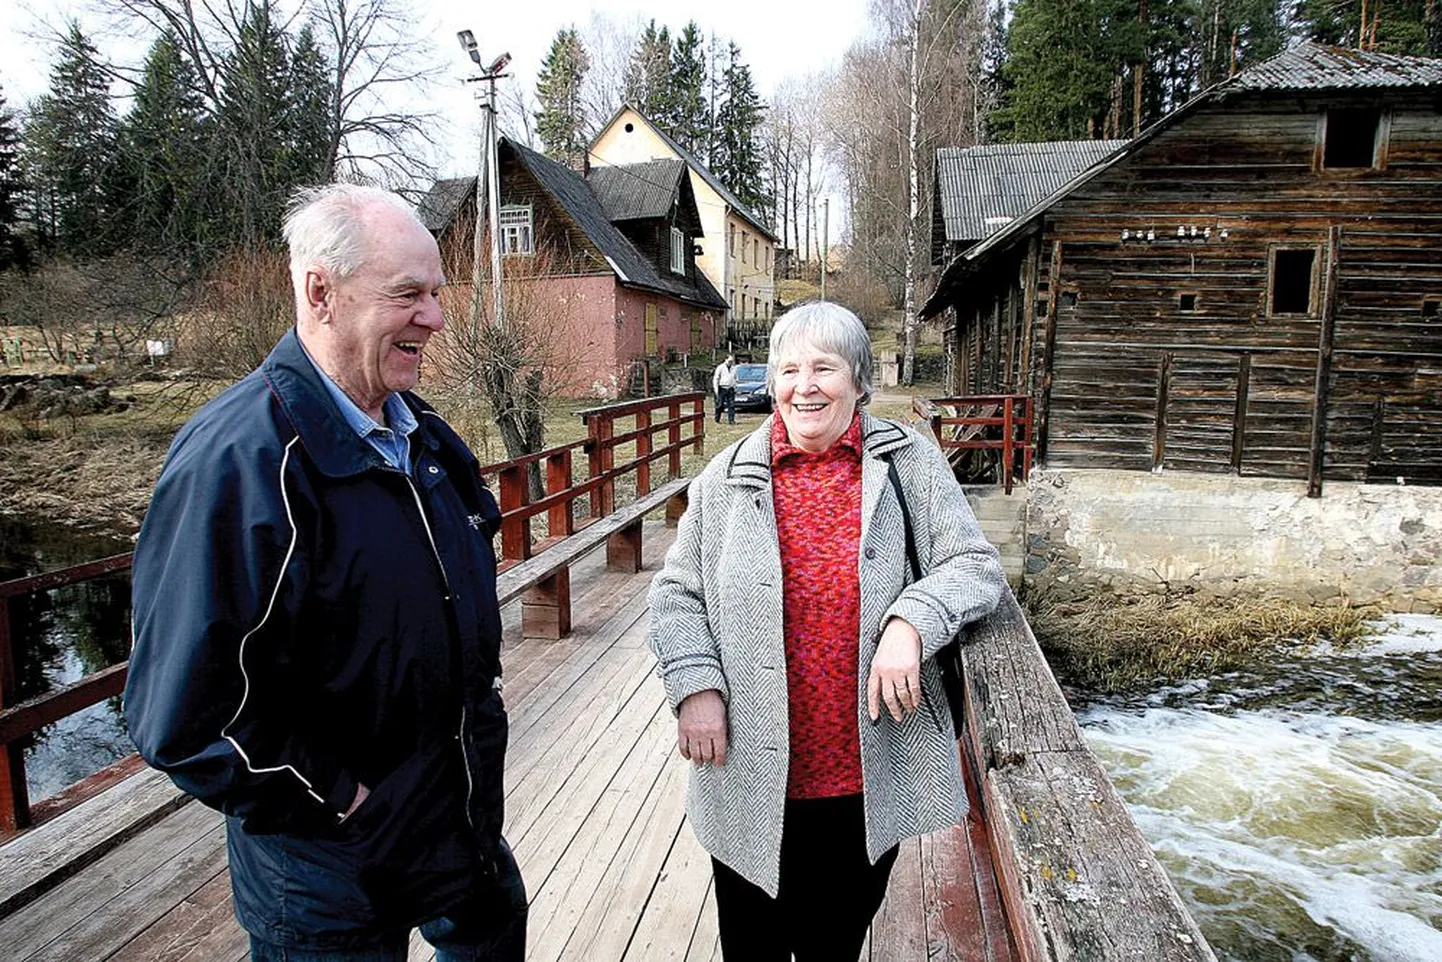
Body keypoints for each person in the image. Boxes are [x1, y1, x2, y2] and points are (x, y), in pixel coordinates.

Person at [123, 184, 527, 961]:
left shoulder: (427, 442)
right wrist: (341, 800)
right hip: (329, 876)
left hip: (455, 826)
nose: (437, 319)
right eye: (408, 294)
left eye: (437, 294)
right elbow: (181, 716)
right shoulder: (239, 463)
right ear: (321, 293)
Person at [647, 301, 1006, 960]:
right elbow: (676, 595)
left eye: (824, 368)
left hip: (861, 777)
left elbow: (977, 568)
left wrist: (911, 621)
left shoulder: (909, 466)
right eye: (788, 369)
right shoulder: (725, 481)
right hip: (747, 773)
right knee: (751, 947)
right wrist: (695, 686)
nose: (803, 386)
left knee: (831, 944)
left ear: (860, 381)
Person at [712, 353, 737, 424]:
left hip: (730, 388)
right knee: (720, 405)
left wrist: (735, 386)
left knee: (731, 405)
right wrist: (716, 389)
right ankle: (717, 419)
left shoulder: (734, 368)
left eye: (732, 361)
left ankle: (731, 420)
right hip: (722, 388)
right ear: (725, 360)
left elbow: (735, 378)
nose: (731, 363)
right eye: (729, 361)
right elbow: (716, 378)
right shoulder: (720, 368)